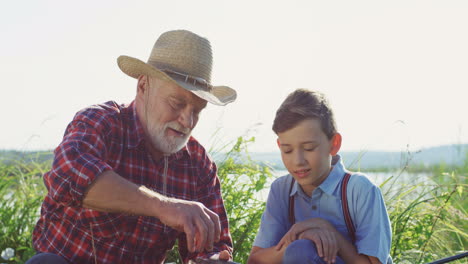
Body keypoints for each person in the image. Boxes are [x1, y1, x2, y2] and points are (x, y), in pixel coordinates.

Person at [28, 30, 237, 264]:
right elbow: (69, 178)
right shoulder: (101, 122)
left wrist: (213, 258)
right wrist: (165, 207)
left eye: (197, 111)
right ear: (144, 86)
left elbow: (212, 246)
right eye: (177, 103)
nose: (188, 122)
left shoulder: (198, 164)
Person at [247, 89, 392, 264]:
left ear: (334, 144)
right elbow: (256, 260)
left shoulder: (359, 189)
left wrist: (332, 234)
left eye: (309, 148)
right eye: (287, 150)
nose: (298, 161)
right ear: (279, 146)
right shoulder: (281, 190)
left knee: (301, 251)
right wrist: (301, 236)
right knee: (300, 249)